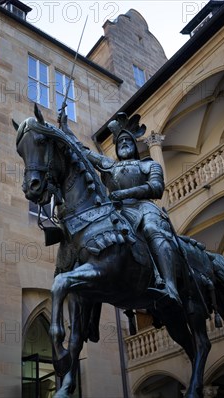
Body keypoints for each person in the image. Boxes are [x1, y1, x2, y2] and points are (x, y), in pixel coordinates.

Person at [61, 112, 182, 306]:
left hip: (143, 208)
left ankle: (170, 286)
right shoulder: (109, 165)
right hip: (118, 211)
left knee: (152, 229)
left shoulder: (149, 165)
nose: (124, 143)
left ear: (135, 145)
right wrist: (66, 131)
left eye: (128, 141)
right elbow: (83, 152)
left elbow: (157, 188)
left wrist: (125, 194)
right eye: (121, 141)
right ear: (116, 147)